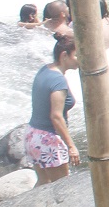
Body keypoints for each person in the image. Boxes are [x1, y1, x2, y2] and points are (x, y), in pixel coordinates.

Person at [27, 35, 82, 184]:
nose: (80, 59)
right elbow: (56, 116)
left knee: (43, 182)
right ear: (64, 55)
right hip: (48, 140)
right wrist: (71, 146)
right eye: (77, 55)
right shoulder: (58, 81)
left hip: (32, 134)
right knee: (62, 186)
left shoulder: (45, 70)